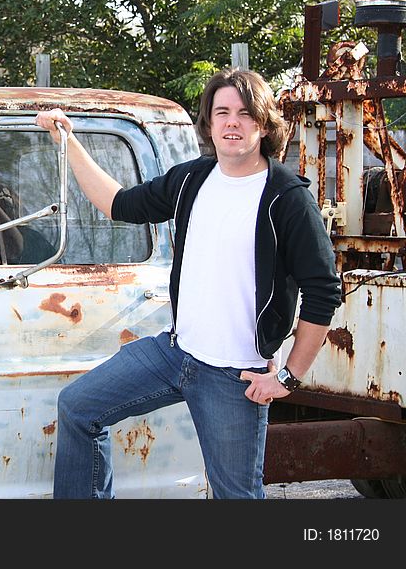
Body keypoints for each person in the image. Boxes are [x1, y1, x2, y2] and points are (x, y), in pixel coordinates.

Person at [34, 68, 341, 499]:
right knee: (78, 408)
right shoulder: (192, 179)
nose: (232, 122)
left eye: (245, 113)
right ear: (209, 123)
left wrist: (288, 377)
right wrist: (67, 140)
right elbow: (117, 203)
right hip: (175, 353)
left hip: (235, 376)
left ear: (264, 124)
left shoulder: (286, 198)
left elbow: (324, 292)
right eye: (222, 113)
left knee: (236, 498)